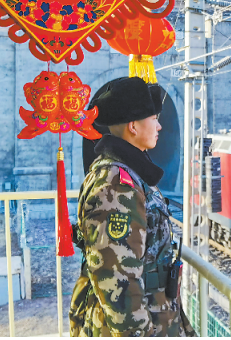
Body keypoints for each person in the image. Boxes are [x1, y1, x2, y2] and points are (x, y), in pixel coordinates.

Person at [69, 77, 195, 337]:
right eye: (153, 119)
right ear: (133, 126)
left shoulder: (127, 174)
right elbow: (118, 284)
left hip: (155, 312)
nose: (160, 126)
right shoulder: (116, 186)